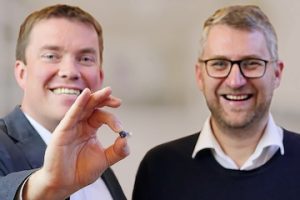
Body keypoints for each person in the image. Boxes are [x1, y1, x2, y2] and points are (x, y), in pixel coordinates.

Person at [133, 5, 300, 200]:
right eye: (220, 64)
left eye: (251, 63)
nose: (235, 81)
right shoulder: (160, 168)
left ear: (277, 73)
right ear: (200, 75)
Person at [0, 4, 130, 200]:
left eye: (85, 58)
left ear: (100, 76)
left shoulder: (101, 164)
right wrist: (46, 185)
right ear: (21, 73)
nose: (69, 71)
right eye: (51, 56)